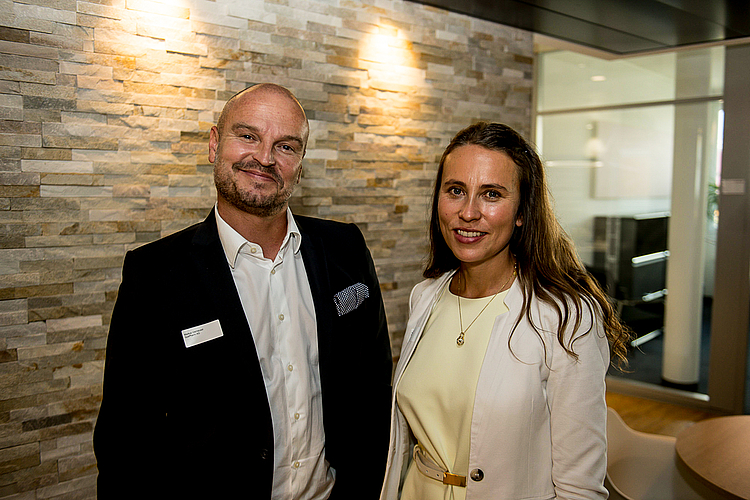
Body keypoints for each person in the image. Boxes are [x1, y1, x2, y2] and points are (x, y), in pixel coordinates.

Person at [94, 83, 393, 500]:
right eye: (248, 136)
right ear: (214, 144)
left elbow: (374, 393)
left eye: (286, 146)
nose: (265, 158)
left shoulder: (345, 250)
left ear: (300, 164)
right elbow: (126, 442)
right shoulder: (156, 275)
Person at [379, 122, 631, 500]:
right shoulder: (425, 297)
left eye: (491, 194)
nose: (468, 212)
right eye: (456, 191)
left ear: (521, 213)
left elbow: (580, 487)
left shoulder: (565, 317)